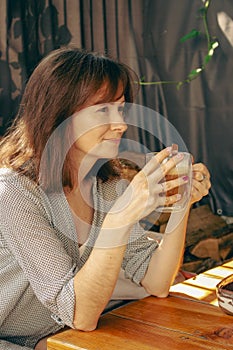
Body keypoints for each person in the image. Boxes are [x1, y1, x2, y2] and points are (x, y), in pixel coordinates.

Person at [0, 47, 211, 350]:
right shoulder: (15, 193)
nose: (121, 124)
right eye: (102, 110)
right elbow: (80, 314)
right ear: (59, 114)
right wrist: (119, 219)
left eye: (121, 109)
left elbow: (156, 282)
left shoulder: (107, 184)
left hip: (64, 338)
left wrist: (182, 203)